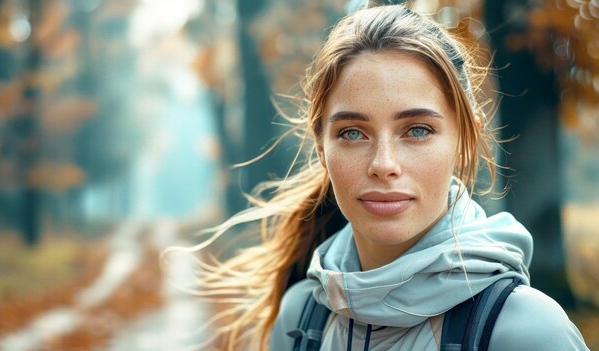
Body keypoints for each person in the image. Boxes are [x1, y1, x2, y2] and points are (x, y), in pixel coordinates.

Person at [169, 4, 589, 350]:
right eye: (352, 133)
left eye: (417, 130)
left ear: (464, 140)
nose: (383, 164)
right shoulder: (299, 319)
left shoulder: (526, 332)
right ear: (321, 148)